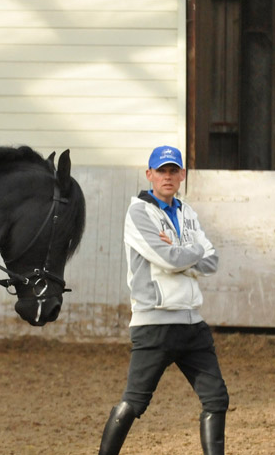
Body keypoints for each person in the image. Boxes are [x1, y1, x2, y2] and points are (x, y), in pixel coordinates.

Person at [98, 145, 229, 455]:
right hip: (154, 324)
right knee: (134, 403)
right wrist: (191, 251)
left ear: (182, 175)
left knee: (217, 399)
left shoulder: (188, 213)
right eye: (161, 171)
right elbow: (170, 259)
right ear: (150, 175)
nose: (167, 176)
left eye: (173, 171)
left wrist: (184, 252)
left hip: (191, 323)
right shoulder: (139, 212)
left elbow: (212, 261)